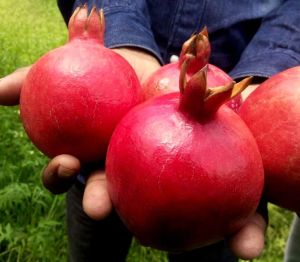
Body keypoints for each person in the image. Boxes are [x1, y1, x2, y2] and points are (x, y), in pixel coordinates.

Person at [1, 0, 300, 261]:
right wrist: (119, 23)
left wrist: (272, 70)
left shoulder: (238, 139)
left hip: (216, 208)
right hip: (104, 164)